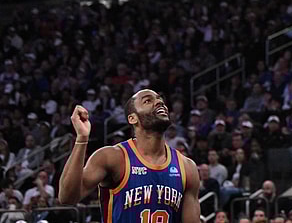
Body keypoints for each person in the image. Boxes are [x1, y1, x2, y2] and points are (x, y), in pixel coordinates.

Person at [57, 89, 201, 222]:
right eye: (148, 101)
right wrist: (82, 138)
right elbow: (67, 197)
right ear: (132, 119)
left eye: (160, 100)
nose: (159, 102)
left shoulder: (187, 167)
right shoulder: (112, 157)